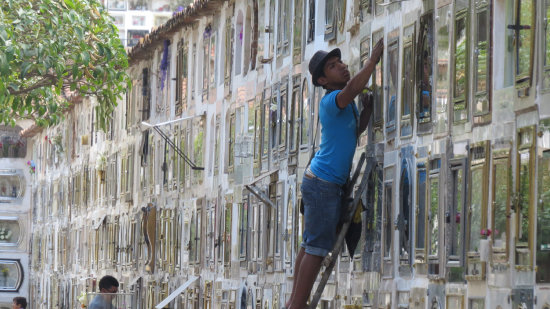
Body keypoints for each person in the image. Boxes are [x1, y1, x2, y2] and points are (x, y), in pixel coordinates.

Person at [286, 39, 383, 309]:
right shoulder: (332, 101)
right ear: (322, 81)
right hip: (323, 184)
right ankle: (297, 305)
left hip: (324, 183)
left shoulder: (346, 104)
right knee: (317, 248)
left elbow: (353, 133)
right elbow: (353, 87)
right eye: (332, 66)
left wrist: (367, 112)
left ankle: (293, 302)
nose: (341, 66)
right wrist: (372, 61)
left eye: (340, 62)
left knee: (309, 244)